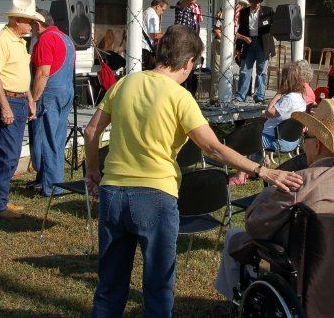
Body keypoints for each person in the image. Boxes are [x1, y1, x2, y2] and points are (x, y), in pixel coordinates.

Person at [83, 25, 303, 317]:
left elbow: (90, 132)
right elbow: (212, 148)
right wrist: (263, 171)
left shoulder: (124, 84)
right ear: (188, 63)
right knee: (158, 289)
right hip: (155, 198)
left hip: (113, 193)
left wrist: (93, 171)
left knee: (109, 287)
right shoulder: (180, 97)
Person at [214, 99, 334, 301]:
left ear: (319, 145)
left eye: (306, 135)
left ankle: (235, 302)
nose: (303, 139)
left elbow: (255, 226)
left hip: (305, 275)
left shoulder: (297, 184)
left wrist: (268, 194)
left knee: (234, 236)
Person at [0, 0, 43, 218]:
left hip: (19, 99)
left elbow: (21, 74)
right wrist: (5, 106)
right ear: (18, 19)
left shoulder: (19, 41)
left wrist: (29, 98)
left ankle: (1, 201)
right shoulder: (1, 40)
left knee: (13, 154)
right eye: (29, 21)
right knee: (8, 156)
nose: (33, 26)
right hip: (7, 100)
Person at [230, 64, 307, 186]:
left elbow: (269, 112)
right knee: (257, 130)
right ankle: (260, 164)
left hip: (279, 140)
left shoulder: (289, 98)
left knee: (248, 138)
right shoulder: (301, 97)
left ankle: (241, 175)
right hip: (293, 139)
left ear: (286, 79)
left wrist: (278, 94)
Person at [28, 9, 76, 197]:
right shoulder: (66, 38)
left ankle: (52, 186)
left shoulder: (46, 39)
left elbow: (43, 73)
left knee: (44, 139)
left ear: (38, 25)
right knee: (56, 138)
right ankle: (49, 180)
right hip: (66, 91)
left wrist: (33, 98)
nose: (29, 28)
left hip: (50, 93)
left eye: (31, 24)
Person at [234, 0, 275, 103]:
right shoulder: (244, 12)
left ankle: (259, 96)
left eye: (257, 1)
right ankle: (241, 95)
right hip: (248, 42)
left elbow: (275, 26)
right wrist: (238, 48)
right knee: (245, 70)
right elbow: (241, 30)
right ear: (249, 1)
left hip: (263, 44)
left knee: (261, 71)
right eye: (253, 1)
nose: (255, 4)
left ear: (260, 2)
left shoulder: (268, 11)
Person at [211, 0, 248, 100]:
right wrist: (226, 42)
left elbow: (234, 33)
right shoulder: (223, 12)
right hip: (219, 43)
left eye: (241, 4)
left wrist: (243, 38)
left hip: (230, 45)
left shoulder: (238, 16)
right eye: (238, 3)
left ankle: (225, 96)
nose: (240, 6)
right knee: (217, 71)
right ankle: (215, 97)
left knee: (228, 70)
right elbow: (216, 30)